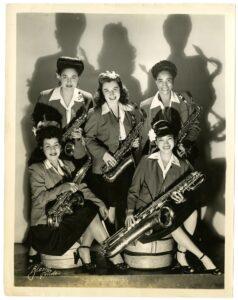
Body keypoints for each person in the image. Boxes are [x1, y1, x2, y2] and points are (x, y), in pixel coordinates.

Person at [26, 126, 128, 274]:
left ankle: (90, 251)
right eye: (47, 146)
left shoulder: (68, 165)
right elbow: (40, 199)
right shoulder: (36, 169)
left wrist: (99, 203)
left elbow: (82, 188)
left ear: (61, 146)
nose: (52, 149)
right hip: (47, 230)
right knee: (88, 211)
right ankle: (111, 254)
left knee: (92, 207)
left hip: (63, 221)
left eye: (56, 145)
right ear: (42, 149)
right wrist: (64, 187)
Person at [125, 118, 221, 275]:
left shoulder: (183, 165)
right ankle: (203, 257)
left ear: (175, 140)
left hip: (167, 212)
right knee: (171, 221)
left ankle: (181, 255)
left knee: (191, 211)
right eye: (161, 140)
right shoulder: (145, 161)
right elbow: (133, 190)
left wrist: (182, 199)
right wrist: (129, 212)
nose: (166, 144)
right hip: (146, 217)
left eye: (169, 139)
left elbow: (188, 192)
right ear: (156, 142)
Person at [84, 71, 141, 232]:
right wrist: (104, 153)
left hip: (125, 162)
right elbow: (88, 139)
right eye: (106, 90)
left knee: (125, 202)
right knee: (111, 205)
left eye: (115, 89)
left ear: (121, 90)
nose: (111, 93)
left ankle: (123, 238)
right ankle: (110, 240)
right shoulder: (95, 113)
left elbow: (130, 135)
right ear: (101, 92)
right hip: (105, 166)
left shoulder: (129, 110)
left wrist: (135, 144)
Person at [32, 56, 93, 166]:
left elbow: (92, 129)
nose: (69, 81)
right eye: (65, 77)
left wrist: (80, 136)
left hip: (77, 153)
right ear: (58, 76)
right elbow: (36, 124)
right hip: (52, 153)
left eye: (73, 77)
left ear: (78, 78)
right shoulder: (45, 97)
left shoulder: (87, 98)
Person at [140, 60, 200, 158]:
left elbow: (194, 126)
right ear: (155, 82)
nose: (165, 85)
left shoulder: (185, 99)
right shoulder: (145, 106)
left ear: (173, 81)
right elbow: (144, 139)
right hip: (157, 158)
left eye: (168, 80)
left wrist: (186, 143)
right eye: (160, 80)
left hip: (183, 155)